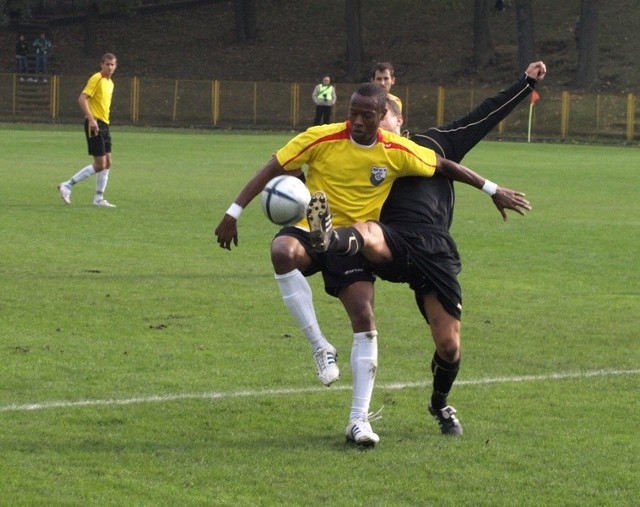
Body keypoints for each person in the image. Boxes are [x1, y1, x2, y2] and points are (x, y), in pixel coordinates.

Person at [214, 82, 529, 447]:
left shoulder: (406, 149)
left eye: (370, 115)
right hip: (342, 235)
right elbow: (277, 168)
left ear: (389, 119)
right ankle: (320, 346)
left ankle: (367, 419)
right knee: (284, 252)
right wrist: (235, 212)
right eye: (353, 113)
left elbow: (448, 159)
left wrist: (494, 190)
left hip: (417, 250)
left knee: (417, 335)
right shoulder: (321, 138)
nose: (359, 121)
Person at [308, 61, 547, 436]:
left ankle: (439, 403)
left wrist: (526, 83)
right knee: (368, 232)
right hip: (388, 241)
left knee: (450, 346)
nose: (371, 125)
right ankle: (327, 239)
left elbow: (484, 115)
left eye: (381, 117)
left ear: (399, 121)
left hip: (433, 250)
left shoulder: (435, 143)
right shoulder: (361, 151)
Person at [58, 53, 118, 208]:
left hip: (104, 124)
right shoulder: (96, 78)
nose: (110, 67)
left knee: (108, 163)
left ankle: (98, 198)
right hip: (95, 124)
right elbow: (82, 99)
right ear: (101, 64)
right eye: (107, 64)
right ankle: (67, 185)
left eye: (112, 64)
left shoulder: (110, 83)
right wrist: (91, 120)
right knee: (100, 164)